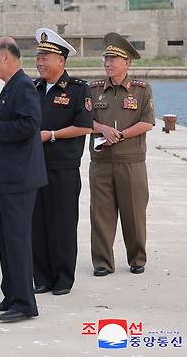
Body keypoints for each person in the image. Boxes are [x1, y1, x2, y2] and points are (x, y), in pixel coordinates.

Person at [0, 37, 47, 323]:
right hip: (6, 177)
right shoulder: (11, 86)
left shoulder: (24, 86)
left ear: (5, 57)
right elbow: (11, 124)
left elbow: (31, 124)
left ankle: (25, 303)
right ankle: (12, 294)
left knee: (17, 240)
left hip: (18, 178)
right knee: (6, 239)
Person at [32, 28, 93, 296]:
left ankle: (63, 279)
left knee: (63, 224)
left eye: (45, 57)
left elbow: (85, 127)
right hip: (33, 166)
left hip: (63, 168)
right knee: (37, 224)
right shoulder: (33, 88)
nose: (40, 62)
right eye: (38, 57)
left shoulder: (79, 89)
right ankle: (42, 278)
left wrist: (52, 135)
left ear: (61, 61)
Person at [89, 33, 154, 277]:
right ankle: (102, 263)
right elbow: (85, 119)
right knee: (101, 214)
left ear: (126, 63)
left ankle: (137, 259)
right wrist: (103, 129)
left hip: (131, 162)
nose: (108, 63)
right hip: (101, 161)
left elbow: (148, 123)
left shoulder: (141, 90)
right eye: (106, 58)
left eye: (114, 59)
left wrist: (122, 134)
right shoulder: (93, 90)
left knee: (134, 213)